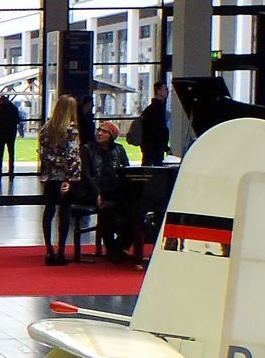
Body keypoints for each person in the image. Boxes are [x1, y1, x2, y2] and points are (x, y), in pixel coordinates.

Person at [38, 94, 85, 266]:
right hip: (66, 176)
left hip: (51, 176)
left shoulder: (45, 129)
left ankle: (49, 249)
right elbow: (72, 157)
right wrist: (69, 178)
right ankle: (61, 251)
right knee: (64, 212)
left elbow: (44, 155)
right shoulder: (71, 131)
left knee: (49, 210)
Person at [90, 121, 133, 259]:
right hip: (96, 191)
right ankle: (112, 250)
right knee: (106, 211)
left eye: (104, 131)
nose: (100, 133)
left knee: (134, 212)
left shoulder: (119, 150)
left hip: (116, 190)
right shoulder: (89, 149)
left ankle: (120, 246)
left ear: (111, 135)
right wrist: (97, 192)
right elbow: (86, 175)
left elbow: (126, 172)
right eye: (99, 130)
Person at [0, 93, 22, 178]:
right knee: (11, 153)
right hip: (11, 133)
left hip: (1, 134)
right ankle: (11, 172)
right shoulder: (13, 108)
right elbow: (17, 120)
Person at [137, 93, 169, 167]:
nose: (167, 92)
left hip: (148, 144)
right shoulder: (158, 109)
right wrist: (164, 145)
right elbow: (159, 129)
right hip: (155, 145)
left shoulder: (150, 109)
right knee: (156, 167)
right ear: (159, 91)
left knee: (147, 165)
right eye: (164, 90)